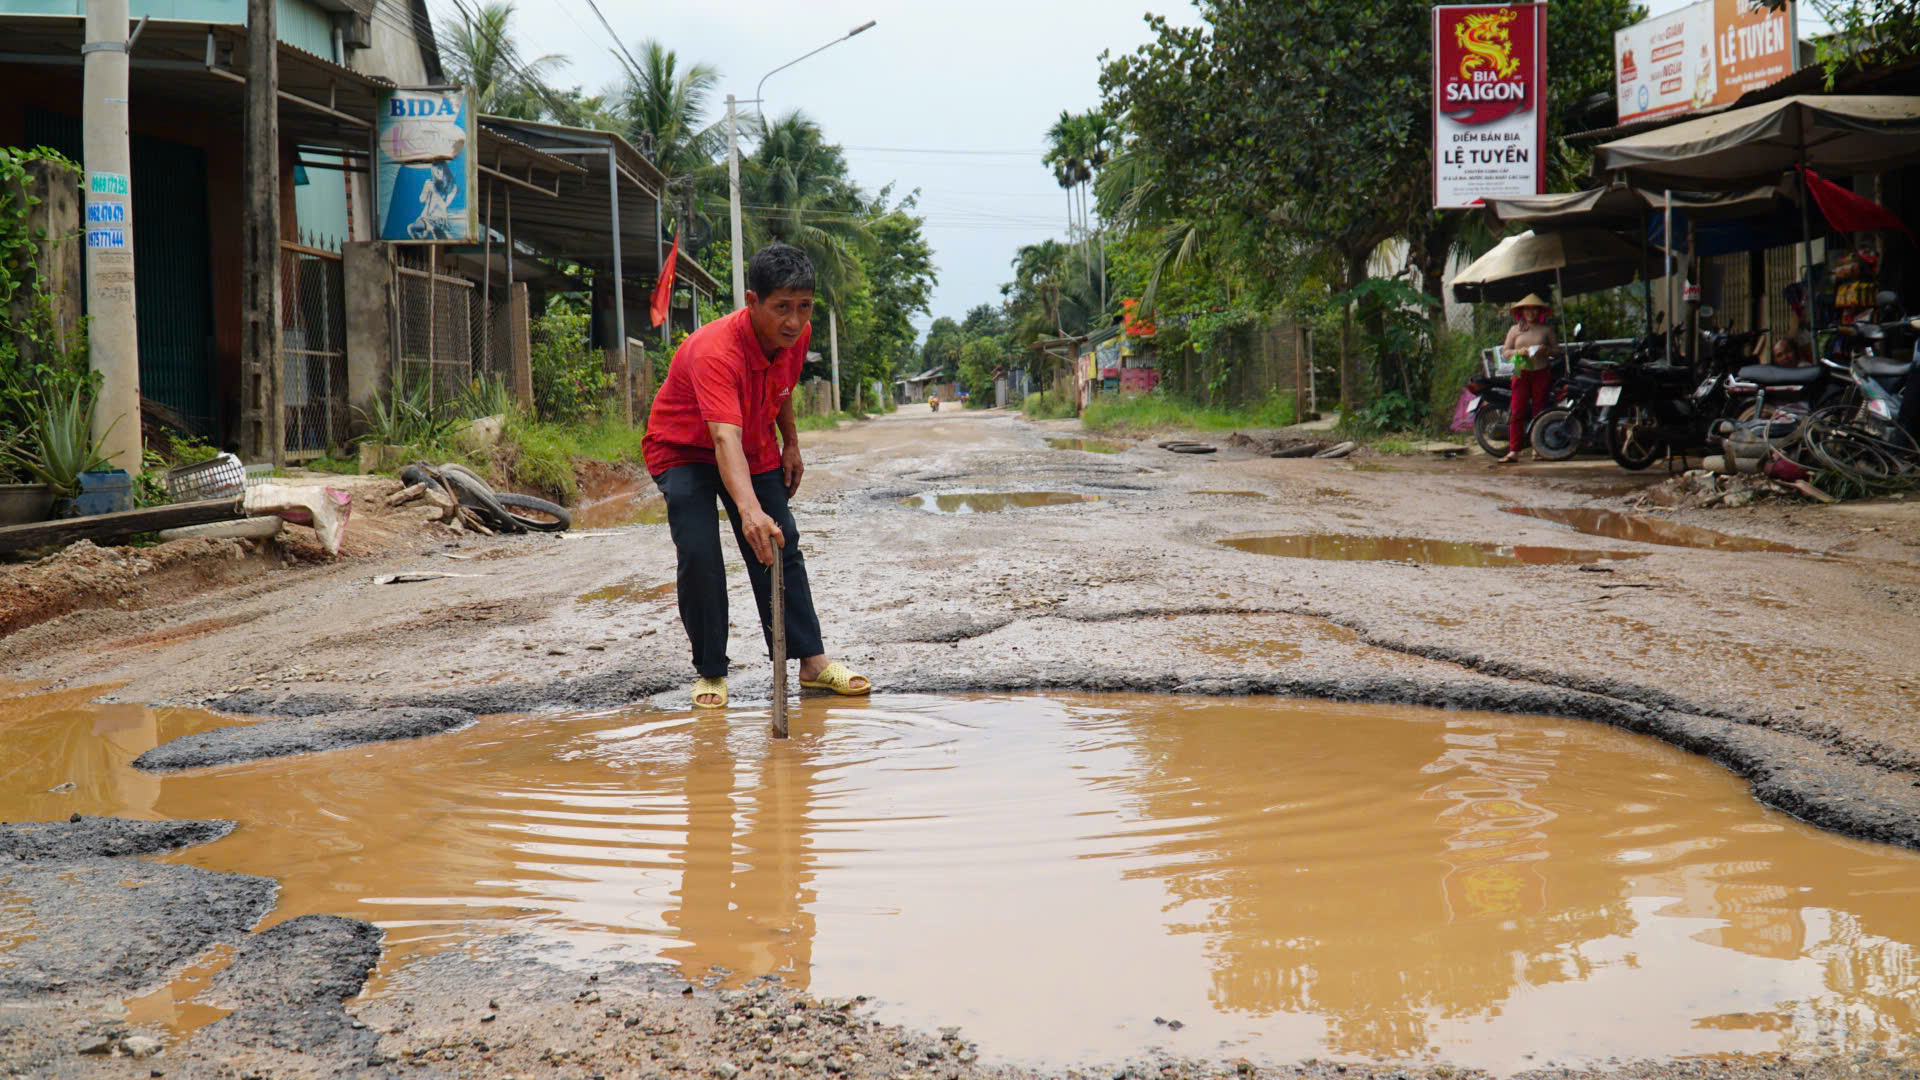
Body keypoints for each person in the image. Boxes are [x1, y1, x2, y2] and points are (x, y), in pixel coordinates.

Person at [642, 243, 871, 710]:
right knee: (701, 551)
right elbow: (722, 439)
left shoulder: (797, 336)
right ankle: (710, 672)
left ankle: (811, 662)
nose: (794, 320)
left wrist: (791, 441)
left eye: (804, 307)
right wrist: (748, 512)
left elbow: (782, 385)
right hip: (685, 449)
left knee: (780, 543)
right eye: (781, 308)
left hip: (753, 443)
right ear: (752, 302)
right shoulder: (714, 351)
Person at [1499, 294, 1560, 464]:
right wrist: (1517, 352)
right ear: (1521, 312)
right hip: (1521, 372)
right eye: (1527, 309)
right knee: (1517, 411)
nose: (1530, 312)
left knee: (1539, 411)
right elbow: (1505, 352)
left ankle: (1538, 448)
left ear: (1539, 312)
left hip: (1541, 372)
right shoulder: (1514, 330)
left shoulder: (1546, 330)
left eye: (1534, 309)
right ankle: (1514, 451)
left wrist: (1545, 349)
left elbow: (1557, 351)